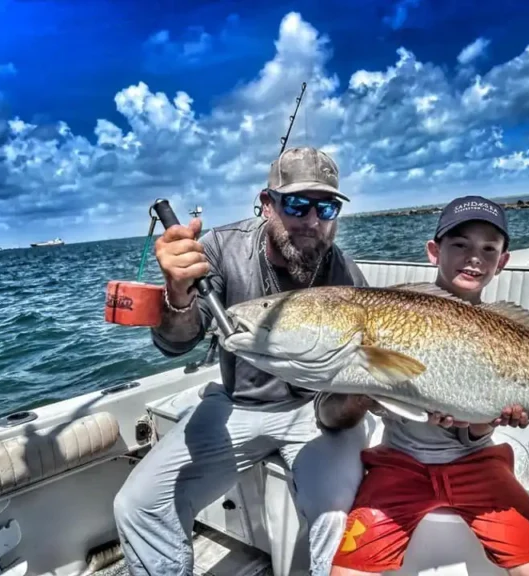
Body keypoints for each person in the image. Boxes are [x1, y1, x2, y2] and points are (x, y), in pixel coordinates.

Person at [113, 146, 374, 576]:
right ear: (267, 204)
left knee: (340, 521)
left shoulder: (343, 271)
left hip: (317, 411)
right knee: (138, 504)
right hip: (238, 404)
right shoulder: (217, 247)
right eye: (296, 204)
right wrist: (176, 295)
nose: (312, 221)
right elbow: (179, 343)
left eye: (326, 207)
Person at [327, 196, 529, 576]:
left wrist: (484, 423)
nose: (474, 258)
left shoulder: (507, 334)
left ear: (502, 261)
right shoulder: (395, 312)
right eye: (460, 244)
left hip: (477, 465)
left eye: (488, 249)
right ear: (433, 251)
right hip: (399, 465)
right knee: (345, 572)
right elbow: (361, 398)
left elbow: (475, 433)